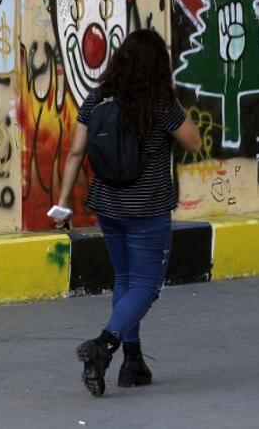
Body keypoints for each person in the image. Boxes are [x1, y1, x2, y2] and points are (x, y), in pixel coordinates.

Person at [51, 28, 202, 397]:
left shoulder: (96, 98)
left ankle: (132, 361)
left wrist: (64, 203)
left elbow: (75, 154)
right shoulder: (161, 104)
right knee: (147, 286)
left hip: (108, 205)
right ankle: (104, 345)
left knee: (125, 278)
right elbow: (194, 143)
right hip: (147, 209)